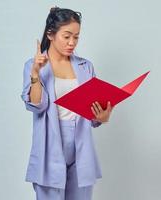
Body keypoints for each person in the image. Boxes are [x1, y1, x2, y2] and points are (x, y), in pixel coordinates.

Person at [20, 6, 113, 200]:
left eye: (76, 37)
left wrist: (102, 116)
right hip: (50, 145)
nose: (72, 43)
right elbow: (37, 105)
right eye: (67, 36)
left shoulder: (85, 66)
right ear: (51, 34)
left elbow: (92, 113)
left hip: (81, 146)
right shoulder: (33, 65)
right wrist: (36, 74)